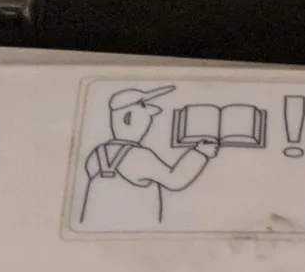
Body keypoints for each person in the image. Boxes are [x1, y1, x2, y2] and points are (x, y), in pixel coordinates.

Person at [77, 85, 220, 227]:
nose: (148, 124)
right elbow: (175, 180)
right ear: (128, 118)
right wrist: (200, 153)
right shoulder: (139, 156)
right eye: (146, 117)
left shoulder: (95, 154)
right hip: (137, 234)